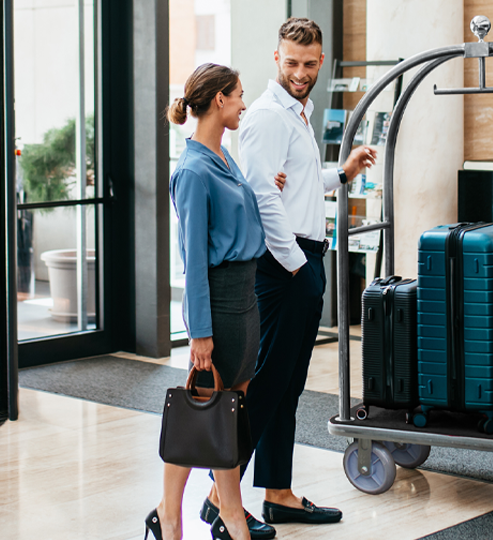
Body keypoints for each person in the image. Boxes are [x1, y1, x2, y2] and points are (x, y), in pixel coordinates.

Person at [219, 17, 375, 528]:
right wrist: (298, 267)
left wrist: (344, 172)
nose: (301, 72)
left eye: (309, 64)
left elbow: (300, 186)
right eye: (292, 63)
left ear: (322, 60)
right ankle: (223, 497)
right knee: (267, 383)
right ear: (276, 58)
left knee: (288, 385)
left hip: (301, 257)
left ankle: (278, 493)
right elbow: (265, 198)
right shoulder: (267, 116)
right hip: (285, 264)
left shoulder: (298, 115)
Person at [148, 63, 264, 540]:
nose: (242, 103)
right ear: (218, 99)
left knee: (224, 415)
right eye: (238, 95)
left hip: (245, 300)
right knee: (207, 409)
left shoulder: (224, 157)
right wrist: (199, 332)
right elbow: (193, 260)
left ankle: (175, 512)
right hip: (218, 303)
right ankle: (217, 516)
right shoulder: (193, 170)